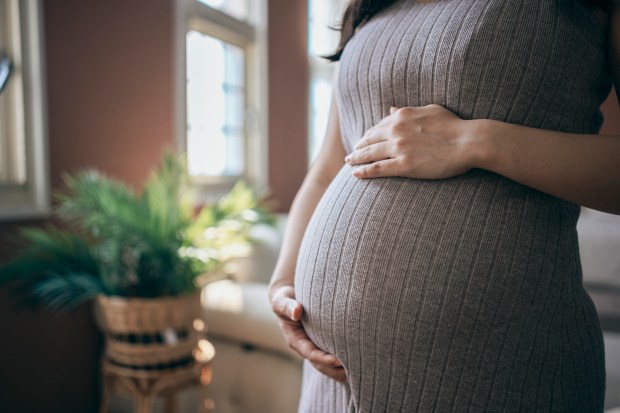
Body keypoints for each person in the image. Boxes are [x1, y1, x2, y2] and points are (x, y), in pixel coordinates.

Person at [268, 0, 620, 411]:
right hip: (329, 383)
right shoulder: (366, 7)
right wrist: (282, 282)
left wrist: (473, 141)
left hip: (496, 374)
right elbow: (330, 166)